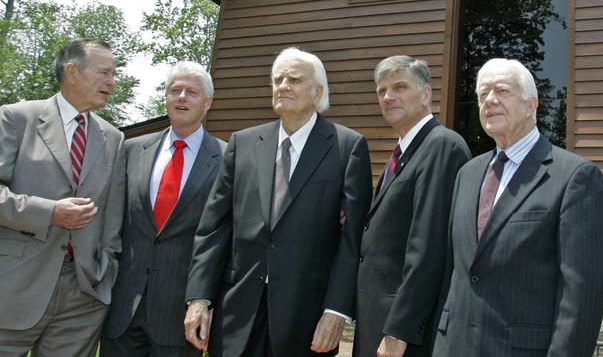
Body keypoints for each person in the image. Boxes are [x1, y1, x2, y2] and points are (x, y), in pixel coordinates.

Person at [183, 47, 373, 357]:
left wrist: (337, 311)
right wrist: (199, 298)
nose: (282, 86)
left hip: (306, 317)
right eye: (277, 79)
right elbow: (215, 227)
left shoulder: (347, 147)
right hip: (237, 313)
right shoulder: (242, 143)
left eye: (294, 79)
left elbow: (354, 240)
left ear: (318, 91)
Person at [432, 58, 603, 357]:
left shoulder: (574, 176)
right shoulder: (468, 173)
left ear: (531, 104)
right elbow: (456, 271)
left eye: (501, 90)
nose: (490, 99)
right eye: (482, 93)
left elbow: (581, 295)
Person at [0, 39, 126, 356]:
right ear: (71, 72)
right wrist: (49, 212)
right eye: (104, 73)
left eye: (114, 74)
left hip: (83, 298)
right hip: (13, 288)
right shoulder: (16, 119)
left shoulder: (114, 138)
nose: (112, 82)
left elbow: (112, 218)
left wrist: (103, 273)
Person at [101, 61, 227, 356]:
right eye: (175, 90)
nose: (181, 97)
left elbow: (223, 237)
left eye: (191, 92)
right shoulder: (132, 149)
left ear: (207, 102)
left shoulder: (226, 158)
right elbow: (114, 223)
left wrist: (204, 300)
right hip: (122, 310)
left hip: (179, 315)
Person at [353, 56, 470, 357]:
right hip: (377, 322)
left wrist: (399, 329)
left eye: (400, 87)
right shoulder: (404, 152)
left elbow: (429, 247)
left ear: (426, 94)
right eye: (382, 90)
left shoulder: (441, 146)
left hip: (405, 335)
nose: (389, 96)